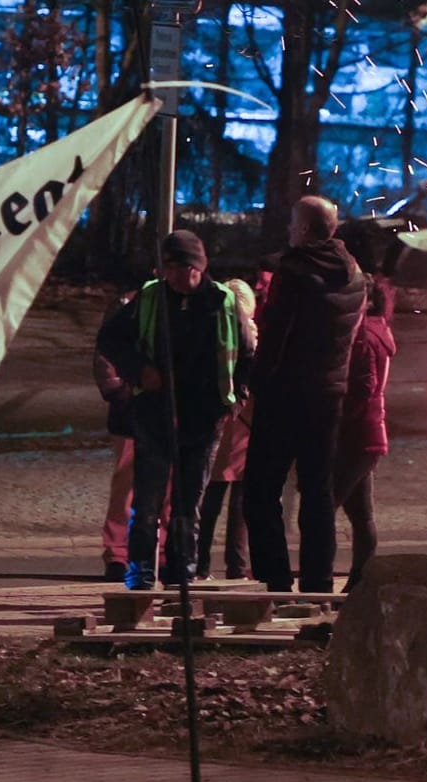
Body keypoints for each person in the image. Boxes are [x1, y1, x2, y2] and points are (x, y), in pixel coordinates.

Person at [99, 230, 251, 588]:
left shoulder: (224, 302)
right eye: (178, 270)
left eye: (192, 271)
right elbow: (109, 339)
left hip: (203, 418)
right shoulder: (150, 298)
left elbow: (247, 354)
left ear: (202, 268)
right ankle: (140, 578)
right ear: (165, 269)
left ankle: (182, 577)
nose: (186, 279)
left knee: (188, 507)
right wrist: (139, 372)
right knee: (147, 504)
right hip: (155, 414)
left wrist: (236, 396)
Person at [242, 195, 367, 593]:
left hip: (285, 395)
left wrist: (255, 383)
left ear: (306, 229)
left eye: (294, 223)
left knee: (261, 491)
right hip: (329, 394)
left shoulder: (294, 272)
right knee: (317, 492)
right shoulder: (353, 272)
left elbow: (276, 335)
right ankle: (318, 582)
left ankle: (273, 581)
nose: (289, 230)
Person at [333, 274, 396, 592]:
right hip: (369, 433)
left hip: (358, 434)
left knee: (326, 504)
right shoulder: (379, 329)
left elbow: (364, 386)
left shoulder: (364, 335)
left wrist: (339, 416)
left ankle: (352, 580)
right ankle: (360, 580)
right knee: (360, 512)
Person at [198, 276, 261, 581]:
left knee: (211, 498)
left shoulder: (214, 331)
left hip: (221, 421)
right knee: (238, 504)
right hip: (242, 424)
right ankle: (235, 567)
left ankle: (200, 565)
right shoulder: (252, 335)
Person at [92, 288, 140, 582]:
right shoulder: (129, 303)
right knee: (126, 484)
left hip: (166, 409)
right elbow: (105, 350)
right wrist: (119, 392)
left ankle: (157, 552)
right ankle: (118, 553)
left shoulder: (191, 302)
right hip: (132, 408)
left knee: (168, 486)